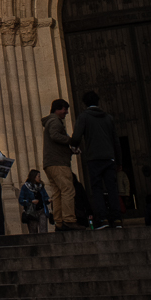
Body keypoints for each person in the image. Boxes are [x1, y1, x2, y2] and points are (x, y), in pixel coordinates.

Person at [70, 90, 123, 230]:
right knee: (112, 188)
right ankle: (117, 219)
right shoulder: (108, 118)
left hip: (94, 158)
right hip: (109, 158)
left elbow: (76, 137)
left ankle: (103, 218)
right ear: (98, 102)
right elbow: (116, 141)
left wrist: (73, 146)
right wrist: (119, 162)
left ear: (84, 103)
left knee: (97, 188)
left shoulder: (84, 117)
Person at [41, 99, 80, 230]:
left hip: (50, 163)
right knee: (68, 189)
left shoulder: (50, 122)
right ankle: (69, 219)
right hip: (58, 163)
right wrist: (71, 141)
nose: (66, 112)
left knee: (57, 193)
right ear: (58, 109)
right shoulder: (55, 121)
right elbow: (55, 135)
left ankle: (59, 222)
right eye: (65, 109)